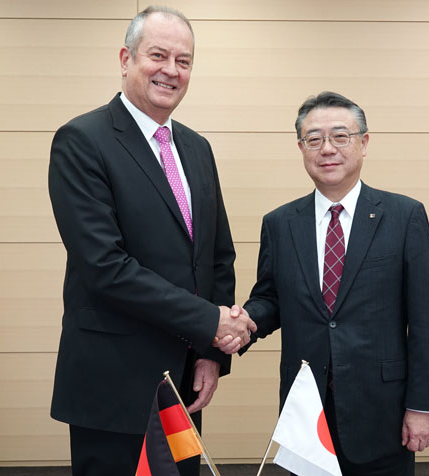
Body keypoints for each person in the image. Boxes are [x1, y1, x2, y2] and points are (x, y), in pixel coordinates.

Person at [48, 6, 255, 475]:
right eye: (157, 55)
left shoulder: (197, 148)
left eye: (184, 61)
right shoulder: (82, 141)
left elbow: (217, 257)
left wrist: (209, 352)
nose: (171, 70)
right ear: (126, 59)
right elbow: (106, 268)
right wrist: (211, 321)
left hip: (182, 383)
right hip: (112, 384)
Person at [225, 92, 429, 475]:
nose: (327, 148)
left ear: (363, 143)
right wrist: (245, 322)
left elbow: (424, 320)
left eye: (340, 136)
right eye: (314, 139)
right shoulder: (279, 223)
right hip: (306, 409)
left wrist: (422, 406)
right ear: (301, 147)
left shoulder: (404, 216)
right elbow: (271, 297)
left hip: (382, 409)